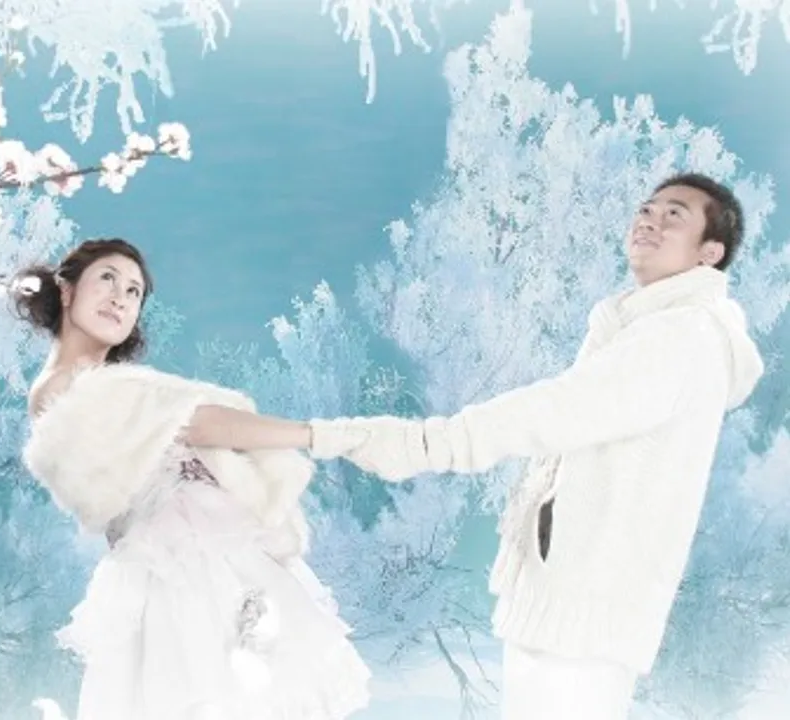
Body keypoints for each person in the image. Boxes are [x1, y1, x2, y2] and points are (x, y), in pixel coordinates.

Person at [179, 173, 765, 719]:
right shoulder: (637, 329)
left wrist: (398, 441)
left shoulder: (679, 337)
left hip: (588, 611)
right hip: (563, 604)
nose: (650, 221)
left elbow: (547, 414)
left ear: (709, 253)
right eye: (646, 209)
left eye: (674, 215)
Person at [15, 238, 371, 720]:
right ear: (65, 289)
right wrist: (319, 435)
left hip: (216, 555)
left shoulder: (128, 389)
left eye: (134, 291)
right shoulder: (61, 387)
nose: (120, 298)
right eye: (108, 279)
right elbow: (195, 422)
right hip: (177, 565)